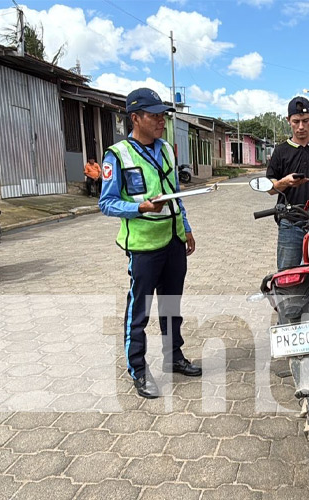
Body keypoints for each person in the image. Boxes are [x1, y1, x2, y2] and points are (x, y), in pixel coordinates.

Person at [99, 87, 201, 399]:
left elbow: (175, 194)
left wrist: (185, 228)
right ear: (135, 118)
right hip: (143, 246)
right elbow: (107, 203)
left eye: (162, 115)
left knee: (171, 305)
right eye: (154, 115)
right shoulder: (117, 155)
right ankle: (138, 370)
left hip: (172, 240)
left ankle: (174, 357)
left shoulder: (167, 150)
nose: (161, 120)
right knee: (139, 311)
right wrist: (139, 207)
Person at [266, 96, 309, 269]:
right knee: (287, 276)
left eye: (305, 121)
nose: (301, 127)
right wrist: (285, 182)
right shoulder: (280, 152)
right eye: (296, 121)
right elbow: (271, 189)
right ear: (289, 121)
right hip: (290, 222)